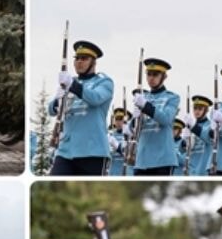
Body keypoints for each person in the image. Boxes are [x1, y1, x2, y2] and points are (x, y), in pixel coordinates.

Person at [49, 40, 114, 175]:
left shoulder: (104, 82)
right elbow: (51, 110)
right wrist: (57, 100)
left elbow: (95, 98)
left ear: (94, 62)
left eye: (84, 58)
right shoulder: (69, 81)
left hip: (93, 151)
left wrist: (72, 85)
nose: (79, 62)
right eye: (77, 58)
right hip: (66, 151)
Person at [130, 58, 181, 175]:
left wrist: (146, 106)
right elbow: (132, 130)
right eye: (149, 74)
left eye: (155, 74)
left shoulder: (172, 97)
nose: (151, 78)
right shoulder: (143, 97)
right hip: (142, 159)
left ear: (164, 77)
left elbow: (166, 119)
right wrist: (134, 119)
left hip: (163, 159)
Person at [107, 108, 128, 176]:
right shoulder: (110, 135)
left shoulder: (128, 135)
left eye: (121, 119)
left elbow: (127, 154)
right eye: (117, 119)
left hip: (125, 169)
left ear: (124, 120)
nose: (118, 122)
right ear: (114, 121)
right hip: (113, 169)